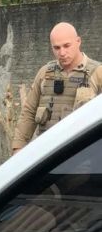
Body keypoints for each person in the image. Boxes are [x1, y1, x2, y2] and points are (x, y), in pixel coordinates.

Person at [12, 22, 102, 153]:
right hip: (46, 155)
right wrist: (18, 148)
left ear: (78, 41)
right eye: (57, 48)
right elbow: (29, 113)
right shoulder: (45, 73)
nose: (62, 52)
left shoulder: (97, 72)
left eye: (67, 46)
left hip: (82, 157)